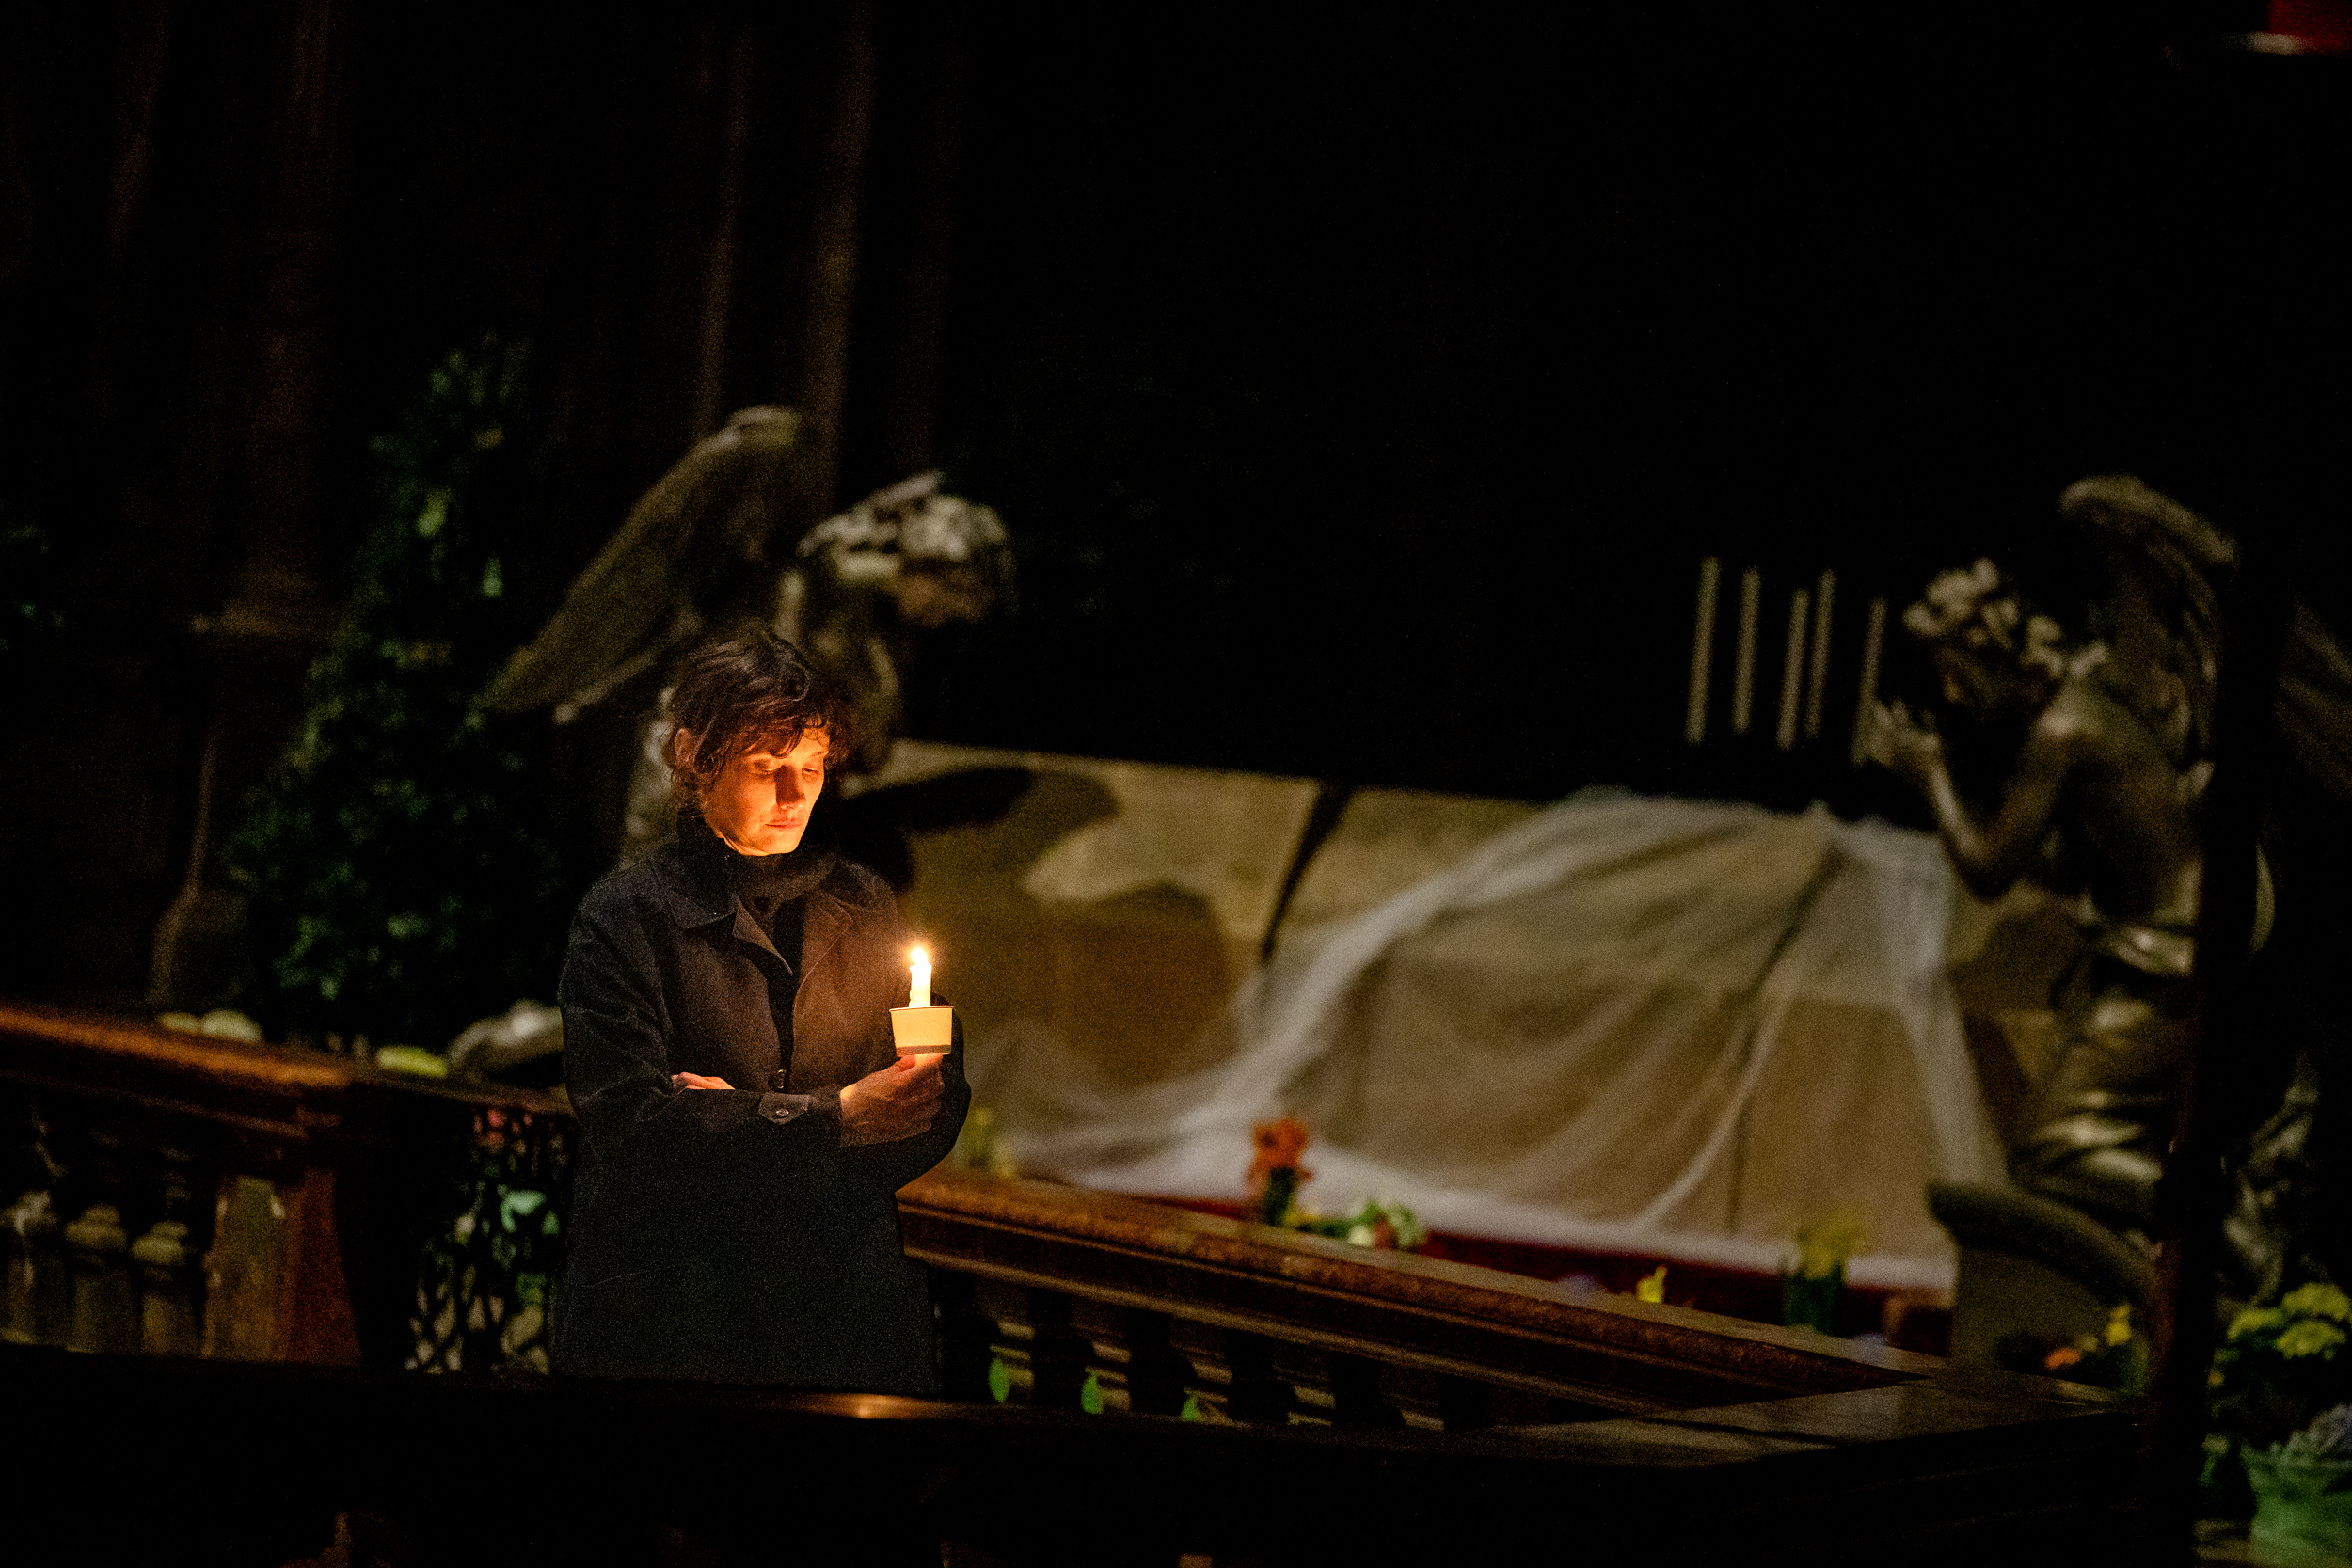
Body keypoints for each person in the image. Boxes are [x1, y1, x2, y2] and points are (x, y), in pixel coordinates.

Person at [549, 632, 969, 1388]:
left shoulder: (865, 906)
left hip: (837, 1325)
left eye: (810, 767)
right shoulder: (625, 919)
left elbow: (931, 1102)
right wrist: (837, 1116)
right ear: (694, 758)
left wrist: (740, 1122)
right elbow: (639, 1126)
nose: (793, 794)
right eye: (764, 766)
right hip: (673, 1333)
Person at [1870, 560, 2202, 1234]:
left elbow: (1988, 872)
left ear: (1992, 657)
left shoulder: (2062, 732)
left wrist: (1931, 773)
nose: (1951, 693)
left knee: (2052, 1148)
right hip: (2152, 947)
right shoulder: (2072, 710)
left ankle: (2222, 1222)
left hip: (2175, 954)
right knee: (2071, 1145)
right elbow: (2064, 868)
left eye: (1957, 672)